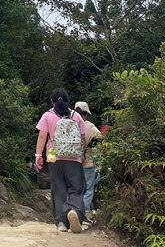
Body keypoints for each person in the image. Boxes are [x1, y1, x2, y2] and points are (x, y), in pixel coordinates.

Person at [34, 88, 88, 233]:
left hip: (54, 155)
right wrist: (82, 155)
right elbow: (82, 138)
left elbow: (42, 136)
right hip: (74, 157)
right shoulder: (76, 116)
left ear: (52, 101)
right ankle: (74, 211)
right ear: (68, 101)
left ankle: (61, 222)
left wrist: (38, 156)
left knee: (58, 188)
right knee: (76, 188)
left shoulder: (47, 115)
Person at [74, 101, 102, 219]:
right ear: (86, 114)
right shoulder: (89, 126)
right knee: (88, 190)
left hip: (72, 163)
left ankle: (74, 211)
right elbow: (100, 140)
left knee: (75, 189)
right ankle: (84, 214)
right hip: (87, 163)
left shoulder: (69, 122)